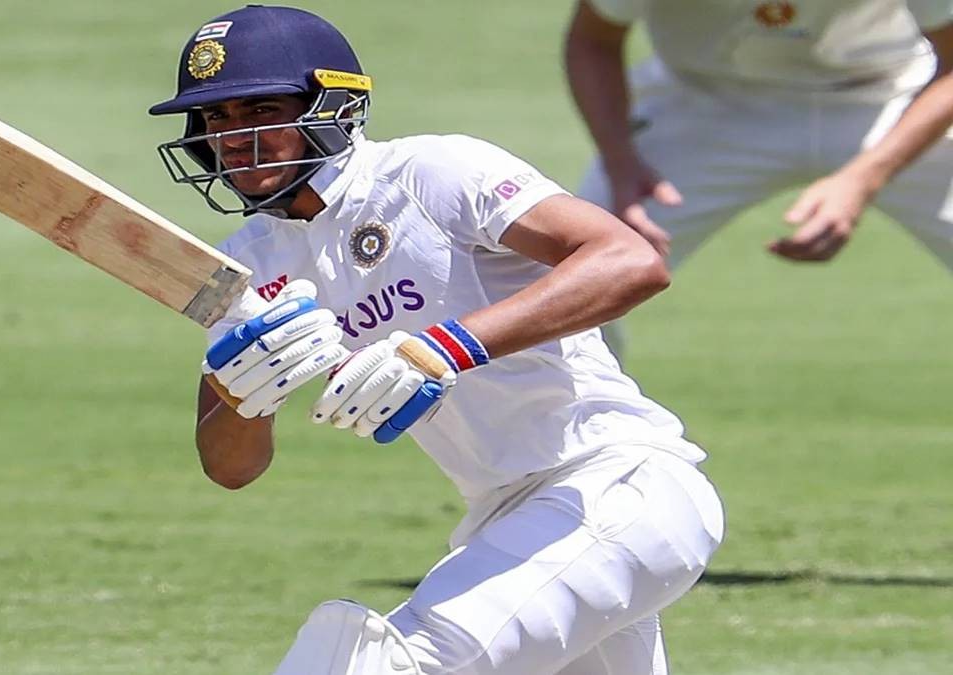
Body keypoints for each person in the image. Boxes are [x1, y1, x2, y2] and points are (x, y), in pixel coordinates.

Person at [149, 5, 724, 674]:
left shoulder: (430, 172)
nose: (234, 137)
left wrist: (443, 349)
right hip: (502, 517)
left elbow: (629, 260)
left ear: (332, 105)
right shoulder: (249, 264)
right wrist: (241, 390)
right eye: (216, 118)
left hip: (616, 484)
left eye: (261, 110)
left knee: (388, 664)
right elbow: (231, 467)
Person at [566, 0, 953, 355]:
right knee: (569, 270)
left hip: (887, 95)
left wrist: (863, 178)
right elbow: (594, 40)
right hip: (702, 103)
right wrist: (620, 161)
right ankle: (575, 408)